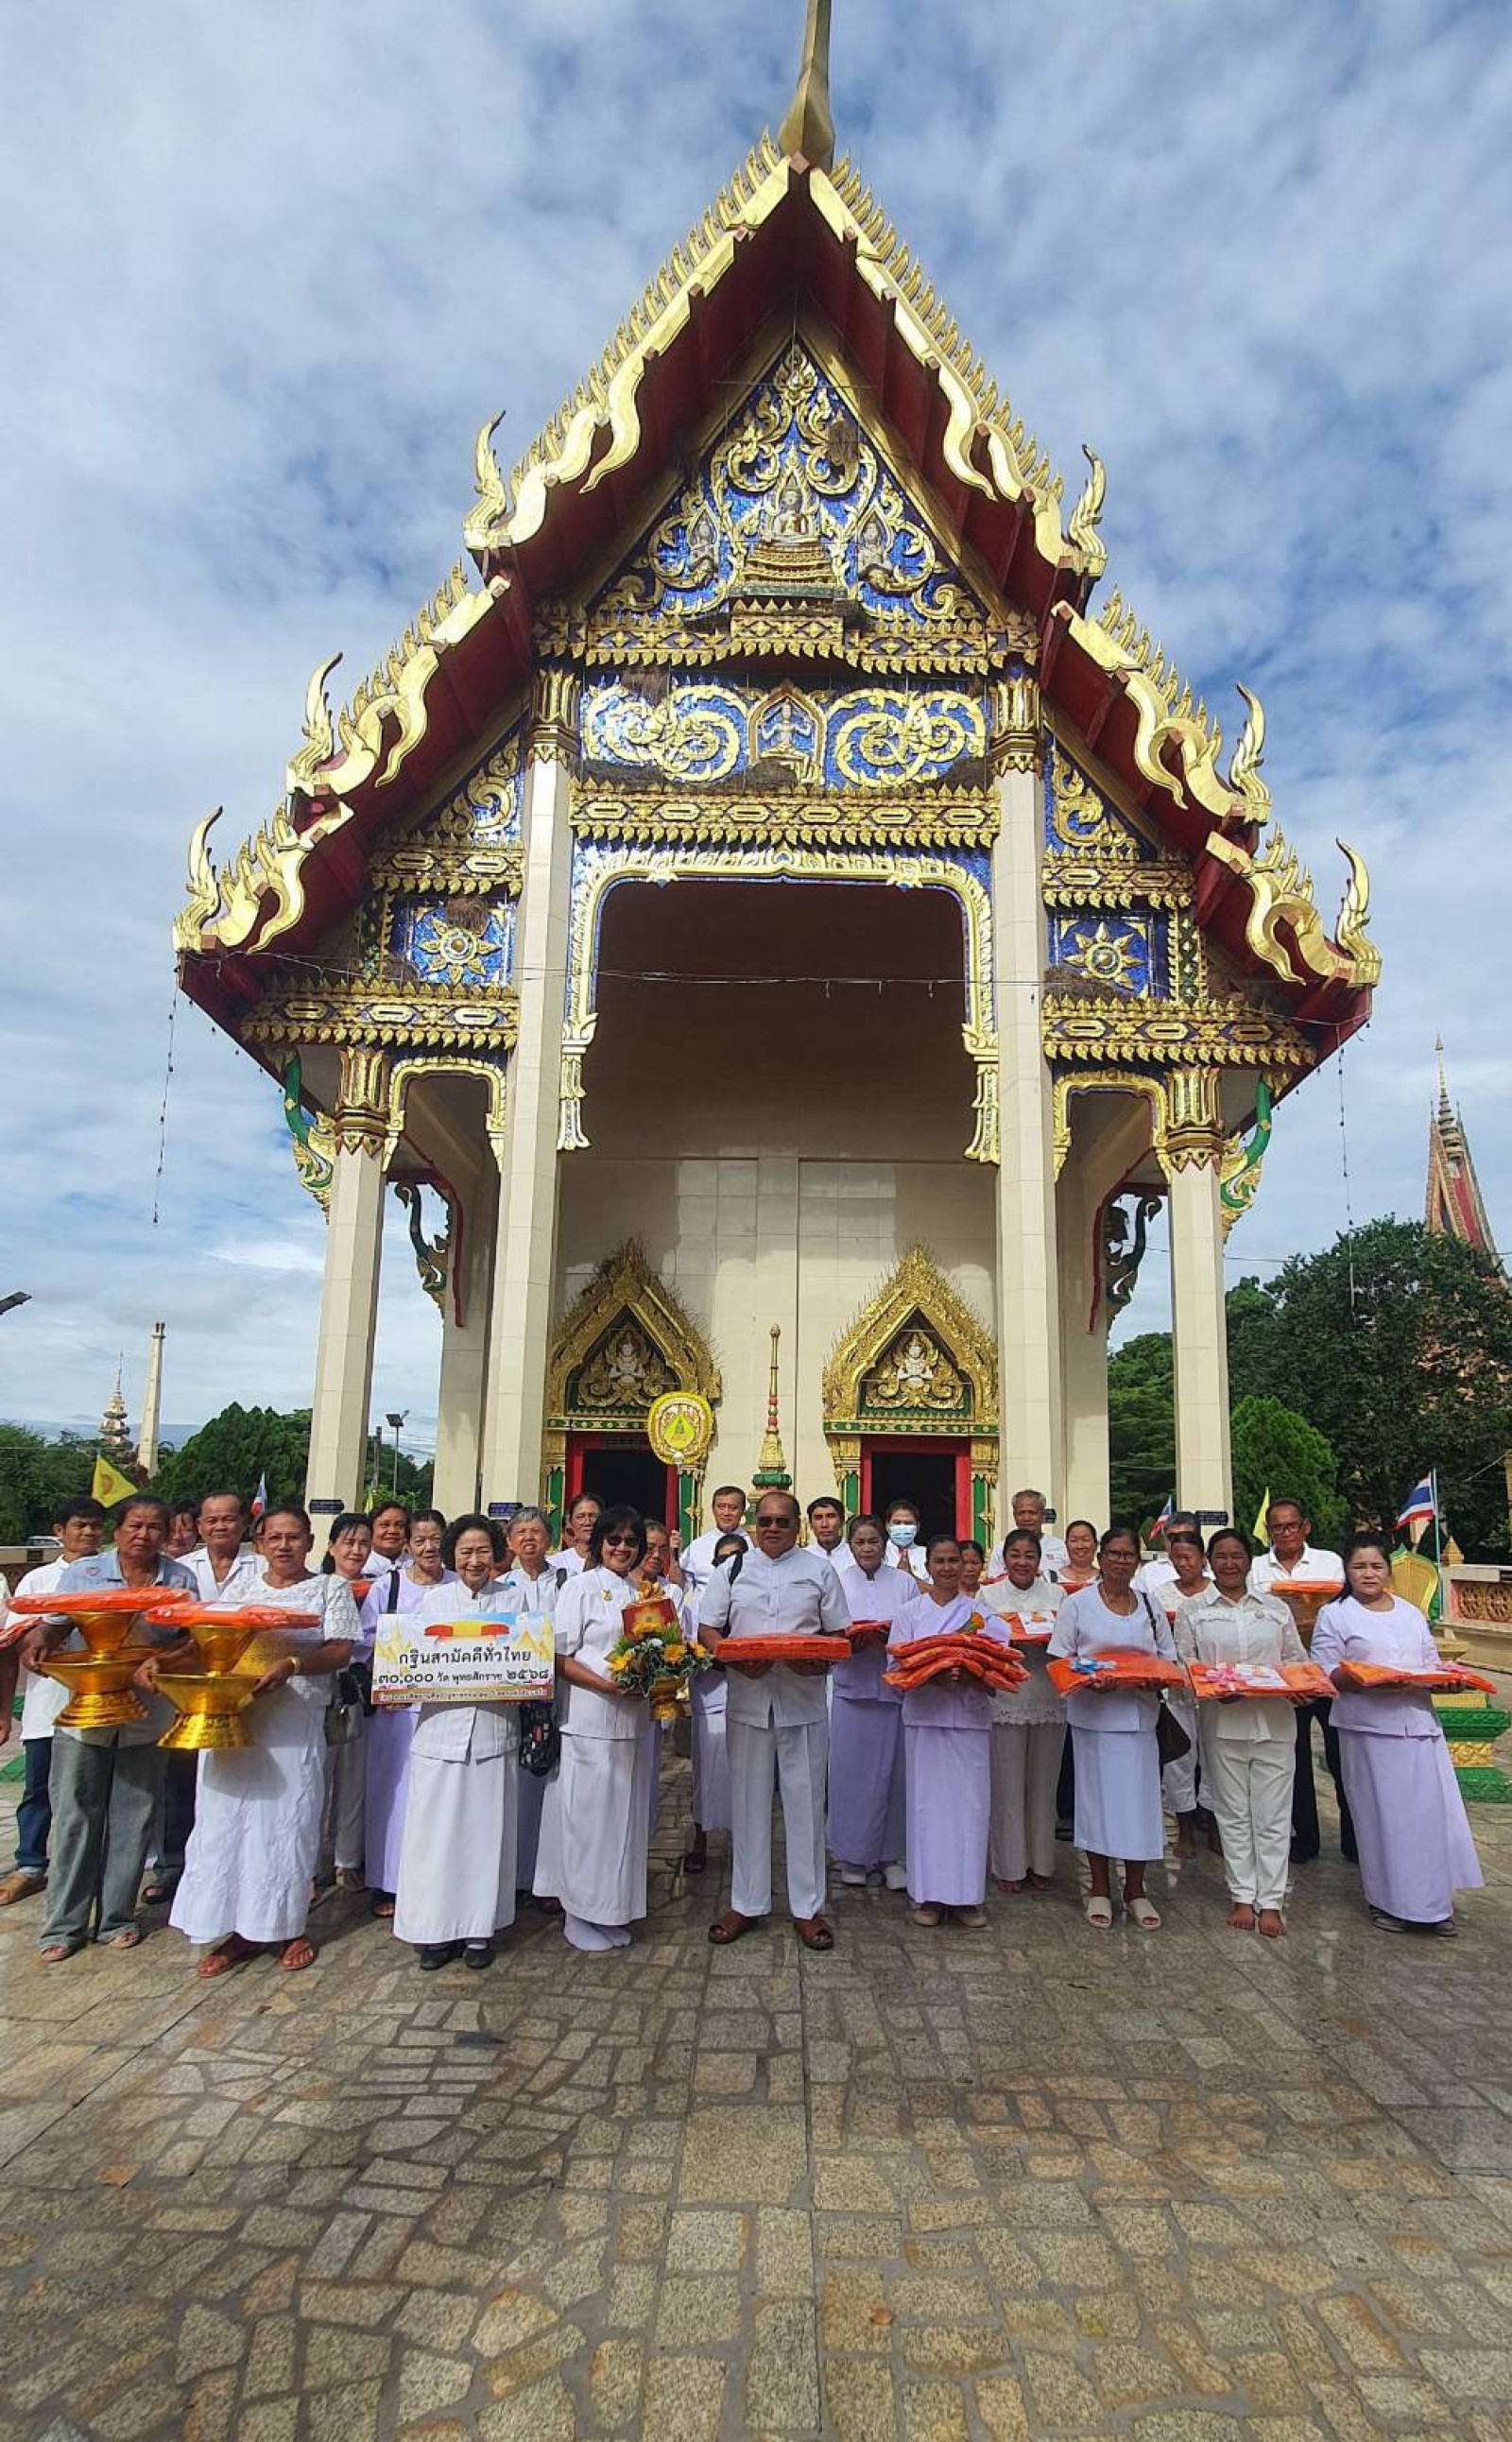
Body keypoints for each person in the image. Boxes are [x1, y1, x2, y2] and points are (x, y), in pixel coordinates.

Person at [165, 1505, 358, 1976]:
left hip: (295, 1719)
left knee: (287, 1825)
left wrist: (293, 1664)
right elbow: (208, 1642)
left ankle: (289, 1924)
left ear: (310, 1542)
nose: (285, 1546)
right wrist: (167, 1662)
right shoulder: (242, 1591)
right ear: (261, 1543)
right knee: (224, 1822)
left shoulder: (330, 1589)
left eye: (294, 1537)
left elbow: (339, 1650)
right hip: (238, 1717)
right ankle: (234, 1928)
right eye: (274, 1538)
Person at [19, 1496, 198, 1962]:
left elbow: (193, 1640)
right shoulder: (85, 1575)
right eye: (135, 1526)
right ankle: (63, 1925)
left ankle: (117, 1917)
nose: (144, 1535)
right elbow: (55, 1625)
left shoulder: (179, 1580)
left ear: (167, 1532)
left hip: (146, 1715)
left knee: (134, 1815)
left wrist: (163, 1660)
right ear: (117, 1531)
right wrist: (38, 1645)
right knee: (77, 1815)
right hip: (86, 1715)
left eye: (155, 1527)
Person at [1311, 1534, 1483, 1936]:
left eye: (1376, 1566)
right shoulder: (1336, 1615)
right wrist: (1365, 1680)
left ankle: (1434, 1906)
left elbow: (1428, 1663)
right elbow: (1326, 1671)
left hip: (1418, 1726)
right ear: (1347, 1572)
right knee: (1381, 1819)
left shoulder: (1409, 1613)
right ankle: (1387, 1902)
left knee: (1425, 1818)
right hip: (1368, 1730)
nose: (1368, 1574)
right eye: (1359, 1566)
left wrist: (1445, 1682)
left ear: (1388, 1570)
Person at [699, 1489, 850, 1951]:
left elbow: (838, 1632)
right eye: (764, 1521)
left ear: (796, 1525)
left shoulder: (818, 1571)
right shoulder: (732, 1570)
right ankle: (746, 1902)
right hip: (748, 1699)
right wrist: (730, 1659)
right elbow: (707, 1629)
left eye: (782, 1522)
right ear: (753, 1523)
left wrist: (819, 1663)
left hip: (802, 1701)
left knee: (805, 1806)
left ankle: (807, 1907)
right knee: (747, 1803)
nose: (772, 1529)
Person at [533, 1505, 663, 1951]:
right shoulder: (579, 1589)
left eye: (631, 1542)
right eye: (614, 1540)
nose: (622, 1548)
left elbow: (658, 1650)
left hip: (631, 1722)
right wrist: (606, 1686)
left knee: (623, 1821)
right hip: (588, 1719)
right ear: (598, 1542)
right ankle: (578, 1912)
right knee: (586, 1820)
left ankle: (611, 1909)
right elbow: (560, 1656)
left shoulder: (643, 1595)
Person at [393, 1515, 520, 1969]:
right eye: (465, 1551)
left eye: (483, 1550)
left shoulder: (515, 1598)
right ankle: (432, 1932)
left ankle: (479, 1932)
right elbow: (408, 1663)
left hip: (493, 1730)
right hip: (439, 1734)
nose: (474, 1560)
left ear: (496, 1554)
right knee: (435, 1838)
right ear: (451, 1555)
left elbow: (529, 1660)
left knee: (486, 1836)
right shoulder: (432, 1602)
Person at [1172, 1529, 1305, 1936]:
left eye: (1237, 1556)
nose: (1230, 1564)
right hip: (1223, 1723)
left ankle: (1272, 1902)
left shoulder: (1275, 1609)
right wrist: (1213, 1689)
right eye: (1222, 1557)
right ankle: (1243, 1895)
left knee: (1273, 1816)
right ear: (1209, 1562)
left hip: (1275, 1724)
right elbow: (1185, 1668)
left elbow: (1295, 1661)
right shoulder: (1194, 1611)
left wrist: (1299, 1687)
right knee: (1232, 1814)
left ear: (1250, 1561)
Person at [1047, 1522, 1177, 1931]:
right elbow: (1060, 1660)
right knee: (1096, 1804)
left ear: (1138, 1562)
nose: (1121, 1561)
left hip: (1139, 1719)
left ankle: (1136, 1889)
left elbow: (1168, 1660)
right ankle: (1100, 1886)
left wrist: (1154, 1678)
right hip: (1094, 1718)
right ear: (1101, 1558)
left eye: (1129, 1555)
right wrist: (1089, 1681)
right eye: (1115, 1554)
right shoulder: (1079, 1604)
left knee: (1138, 1807)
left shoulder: (1150, 1606)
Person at [0, 1496, 107, 1908]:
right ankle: (30, 1863)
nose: (88, 1533)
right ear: (59, 1531)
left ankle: (87, 1864)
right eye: (79, 1525)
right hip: (49, 1701)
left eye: (96, 1526)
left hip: (100, 1700)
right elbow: (15, 1640)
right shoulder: (38, 1580)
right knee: (38, 1787)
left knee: (93, 1791)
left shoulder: (114, 1575)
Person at [887, 1535, 991, 1928]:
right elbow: (896, 1666)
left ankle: (967, 1898)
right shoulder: (910, 1613)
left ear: (967, 1566)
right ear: (927, 1566)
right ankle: (928, 1895)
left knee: (970, 1806)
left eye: (955, 1561)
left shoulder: (983, 1615)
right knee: (926, 1807)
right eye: (940, 1561)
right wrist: (928, 1672)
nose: (948, 1568)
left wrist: (970, 1672)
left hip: (969, 1718)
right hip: (925, 1717)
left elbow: (998, 1664)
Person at [359, 1508, 455, 1918]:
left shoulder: (459, 1585)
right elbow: (364, 1644)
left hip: (444, 1708)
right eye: (420, 1540)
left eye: (436, 1539)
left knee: (438, 1798)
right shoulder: (389, 1586)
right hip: (397, 1712)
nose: (429, 1547)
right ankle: (389, 1882)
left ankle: (436, 1878)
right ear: (408, 1545)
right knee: (393, 1796)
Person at [1249, 1497, 1349, 1865]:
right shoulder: (1257, 1570)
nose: (1285, 1533)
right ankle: (1303, 1839)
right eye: (1278, 1527)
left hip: (1330, 1673)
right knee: (1293, 1760)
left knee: (1342, 1758)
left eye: (1292, 1526)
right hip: (1284, 1678)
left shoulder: (1330, 1563)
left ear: (1305, 1526)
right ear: (1269, 1531)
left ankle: (1354, 1839)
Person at [827, 1515, 912, 1891]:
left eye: (873, 1541)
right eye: (860, 1542)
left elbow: (915, 1631)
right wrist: (851, 1640)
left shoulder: (905, 1583)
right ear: (850, 1545)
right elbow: (825, 1630)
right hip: (852, 1689)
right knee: (851, 1776)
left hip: (893, 1690)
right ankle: (852, 1855)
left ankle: (890, 1855)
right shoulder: (837, 1581)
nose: (867, 1548)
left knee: (894, 1775)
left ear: (885, 1543)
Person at [977, 1529, 1063, 1893]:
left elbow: (1069, 1644)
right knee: (1007, 1786)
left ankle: (1041, 1862)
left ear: (1039, 1560)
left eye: (1030, 1555)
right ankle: (1009, 1866)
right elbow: (980, 1642)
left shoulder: (1058, 1595)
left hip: (1048, 1696)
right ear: (1005, 1558)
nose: (1022, 1562)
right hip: (1006, 1698)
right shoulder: (987, 1595)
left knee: (1044, 1785)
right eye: (1015, 1555)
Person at [500, 1506, 567, 1908]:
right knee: (516, 1786)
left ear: (550, 1538)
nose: (529, 1539)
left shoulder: (567, 1582)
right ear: (509, 1542)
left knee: (554, 1787)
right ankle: (515, 1875)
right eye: (520, 1532)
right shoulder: (500, 1587)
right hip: (514, 1697)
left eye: (536, 1532)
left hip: (559, 1689)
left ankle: (548, 1879)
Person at [1138, 1521, 1210, 1859]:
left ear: (1202, 1559)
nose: (1184, 1564)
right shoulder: (1160, 1596)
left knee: (1215, 1761)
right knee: (1180, 1760)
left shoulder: (1216, 1593)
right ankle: (1183, 1830)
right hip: (1177, 1688)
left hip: (1215, 1691)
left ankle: (1214, 1825)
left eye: (1190, 1557)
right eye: (1178, 1557)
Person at [319, 1511, 374, 1893]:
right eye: (349, 1543)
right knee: (316, 1780)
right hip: (321, 1688)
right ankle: (311, 1864)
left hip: (357, 1690)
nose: (356, 1551)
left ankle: (347, 1859)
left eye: (363, 1544)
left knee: (354, 1777)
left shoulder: (379, 1589)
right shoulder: (317, 1587)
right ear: (331, 1546)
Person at [682, 1531, 741, 1876]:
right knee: (707, 1769)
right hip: (709, 1690)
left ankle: (742, 1843)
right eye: (723, 1559)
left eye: (737, 1558)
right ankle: (700, 1839)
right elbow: (686, 1644)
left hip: (748, 1691)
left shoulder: (753, 1596)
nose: (729, 1565)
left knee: (747, 1774)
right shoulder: (696, 1601)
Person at [680, 1487, 750, 1598]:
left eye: (733, 1508)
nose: (726, 1513)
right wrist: (672, 1555)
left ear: (742, 1511)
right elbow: (679, 1587)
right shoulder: (697, 1546)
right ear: (713, 1509)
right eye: (721, 1507)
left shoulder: (754, 1545)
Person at [188, 1492, 260, 1601]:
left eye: (229, 1520)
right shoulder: (182, 1568)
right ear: (199, 1526)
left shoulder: (264, 1567)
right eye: (212, 1521)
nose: (220, 1527)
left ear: (244, 1523)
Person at [988, 1489, 1070, 1580]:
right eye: (1021, 1513)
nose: (1026, 1518)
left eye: (1032, 1513)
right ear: (1014, 1515)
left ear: (1043, 1515)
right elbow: (994, 1583)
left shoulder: (1061, 1547)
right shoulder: (1001, 1549)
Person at [548, 1491, 601, 1579]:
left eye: (593, 1516)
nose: (587, 1522)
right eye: (581, 1517)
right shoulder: (555, 1564)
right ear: (571, 1522)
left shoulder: (617, 1561)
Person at [882, 1497, 931, 1582]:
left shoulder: (927, 1555)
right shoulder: (878, 1552)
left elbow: (937, 1591)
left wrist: (910, 1577)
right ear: (887, 1525)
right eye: (897, 1523)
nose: (902, 1526)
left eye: (908, 1523)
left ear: (917, 1527)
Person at [806, 1496, 847, 1571]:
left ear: (842, 1521)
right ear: (811, 1524)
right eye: (818, 1517)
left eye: (831, 1516)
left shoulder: (855, 1556)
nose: (824, 1524)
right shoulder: (803, 1557)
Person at [369, 1501, 410, 1568]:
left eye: (400, 1525)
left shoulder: (418, 1566)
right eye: (384, 1525)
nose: (393, 1531)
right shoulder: (360, 1566)